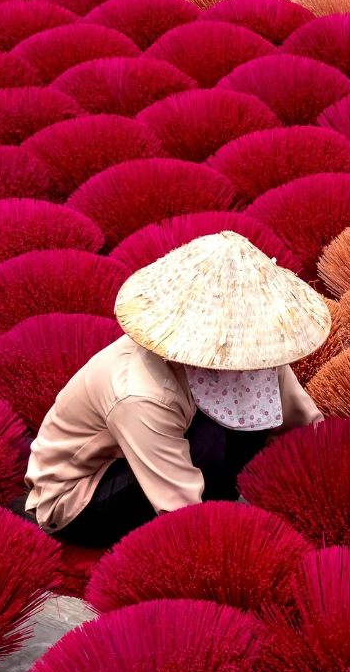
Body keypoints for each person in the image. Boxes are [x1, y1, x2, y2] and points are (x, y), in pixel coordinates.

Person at [25, 231, 330, 548]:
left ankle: (220, 506)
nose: (244, 357)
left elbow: (302, 428)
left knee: (252, 412)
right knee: (210, 441)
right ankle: (218, 517)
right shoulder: (140, 392)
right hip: (80, 495)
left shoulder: (255, 352)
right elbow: (177, 505)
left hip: (160, 459)